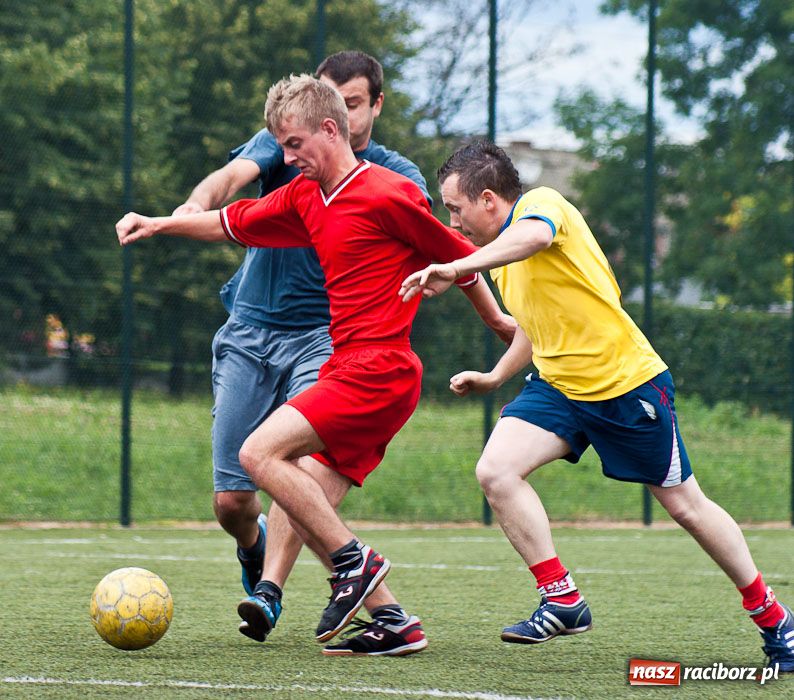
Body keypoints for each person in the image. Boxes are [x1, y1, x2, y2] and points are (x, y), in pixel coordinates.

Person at [116, 76, 513, 655]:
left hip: (377, 369)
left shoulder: (387, 191)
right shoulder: (305, 197)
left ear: (331, 130)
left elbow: (463, 259)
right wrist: (160, 223)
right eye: (280, 145)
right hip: (353, 369)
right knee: (304, 498)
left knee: (258, 453)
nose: (286, 156)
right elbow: (232, 222)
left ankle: (356, 562)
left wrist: (500, 324)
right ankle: (394, 621)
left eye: (294, 143)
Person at [399, 140, 794, 672]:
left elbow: (533, 236)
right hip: (560, 388)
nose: (454, 219)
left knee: (684, 506)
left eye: (455, 207)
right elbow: (536, 329)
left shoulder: (543, 206)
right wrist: (495, 377)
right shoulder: (501, 258)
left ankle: (775, 620)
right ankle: (562, 600)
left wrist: (457, 264)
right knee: (496, 470)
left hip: (625, 385)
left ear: (488, 199)